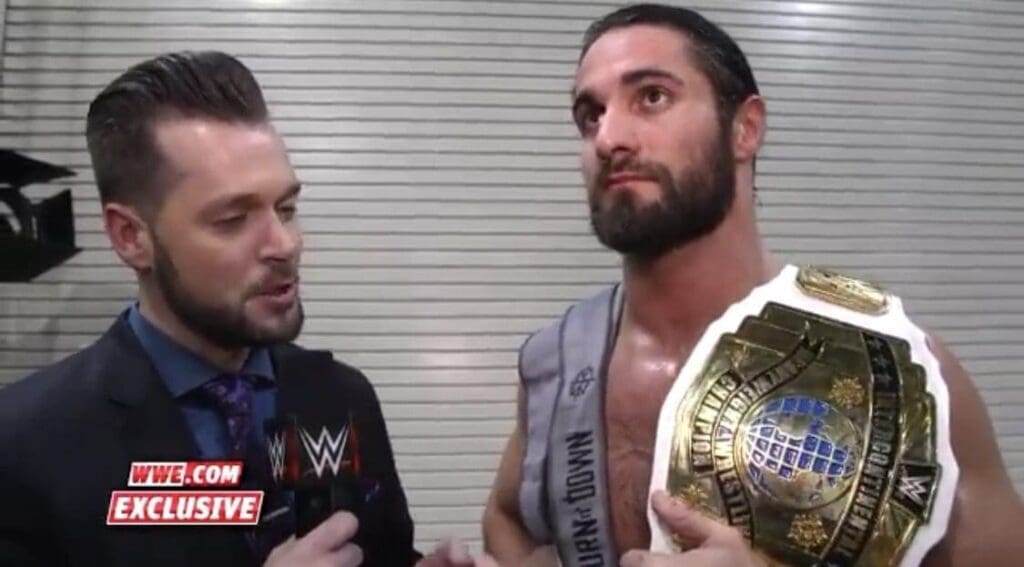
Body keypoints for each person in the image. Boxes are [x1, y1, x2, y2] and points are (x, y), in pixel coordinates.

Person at [482, 4, 1024, 566]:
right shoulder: (556, 364)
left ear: (745, 129)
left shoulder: (898, 371)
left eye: (652, 97)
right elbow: (505, 517)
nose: (608, 137)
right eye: (590, 114)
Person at [0, 51, 478, 567]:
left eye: (286, 208)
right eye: (232, 220)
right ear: (131, 237)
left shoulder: (341, 396)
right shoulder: (26, 441)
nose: (285, 244)